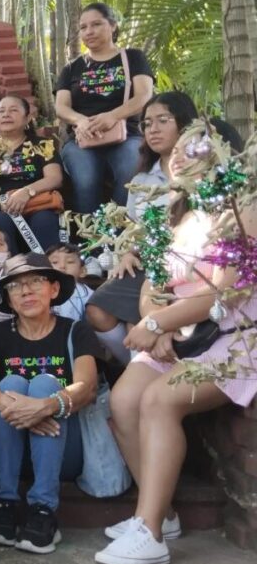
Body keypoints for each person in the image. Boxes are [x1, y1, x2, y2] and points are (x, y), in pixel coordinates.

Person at [95, 123, 257, 564]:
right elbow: (154, 283)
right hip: (177, 337)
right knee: (124, 400)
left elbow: (222, 295)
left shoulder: (243, 210)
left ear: (223, 154)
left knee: (159, 400)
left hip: (234, 341)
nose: (177, 157)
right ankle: (161, 515)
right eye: (176, 151)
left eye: (193, 149)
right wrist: (158, 324)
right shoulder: (178, 214)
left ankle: (147, 534)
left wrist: (156, 322)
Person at [0, 254, 102, 555]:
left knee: (46, 383)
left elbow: (86, 387)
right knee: (9, 384)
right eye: (16, 286)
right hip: (8, 442)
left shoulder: (75, 330)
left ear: (54, 289)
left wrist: (44, 406)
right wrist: (19, 409)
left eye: (35, 281)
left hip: (62, 446)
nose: (26, 291)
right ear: (8, 297)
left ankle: (44, 509)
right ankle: (5, 502)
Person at [86, 92, 197, 365]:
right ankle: (138, 367)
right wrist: (128, 252)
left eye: (163, 120)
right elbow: (134, 228)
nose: (153, 129)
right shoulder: (142, 179)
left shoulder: (204, 172)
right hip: (149, 264)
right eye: (147, 124)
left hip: (196, 266)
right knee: (98, 308)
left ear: (185, 124)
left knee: (137, 319)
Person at [56, 2, 155, 214]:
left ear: (112, 26)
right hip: (82, 138)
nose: (89, 31)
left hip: (127, 135)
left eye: (96, 24)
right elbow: (61, 106)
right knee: (86, 178)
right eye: (83, 27)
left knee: (130, 168)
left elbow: (144, 95)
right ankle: (89, 239)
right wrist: (80, 120)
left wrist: (113, 116)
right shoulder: (72, 68)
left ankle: (119, 234)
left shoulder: (132, 58)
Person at [0, 95, 64, 254]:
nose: (6, 114)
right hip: (0, 211)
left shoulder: (42, 145)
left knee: (44, 220)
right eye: (1, 111)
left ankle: (49, 271)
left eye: (13, 110)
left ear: (27, 118)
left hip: (36, 206)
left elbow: (55, 178)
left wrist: (26, 192)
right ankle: (10, 272)